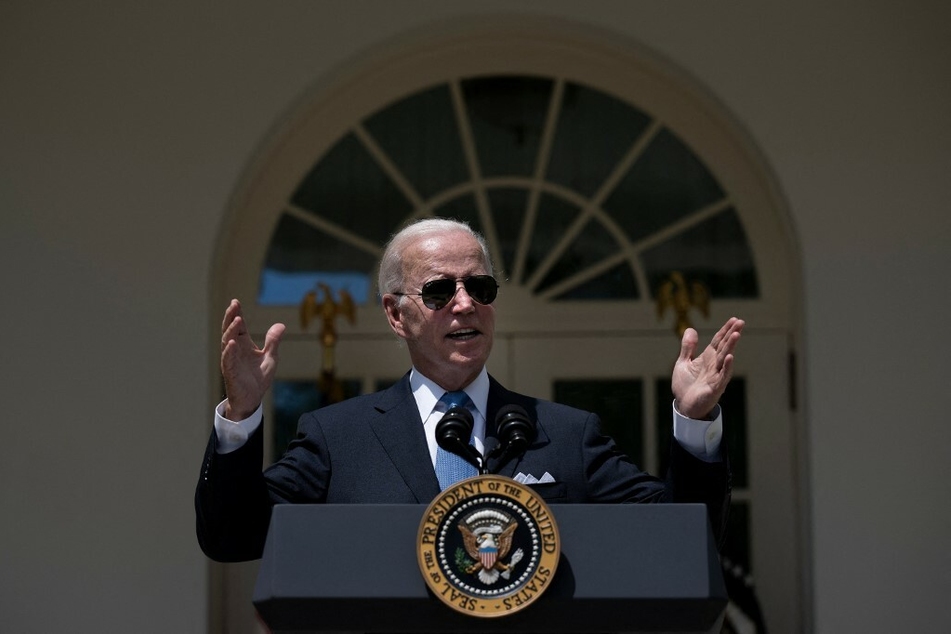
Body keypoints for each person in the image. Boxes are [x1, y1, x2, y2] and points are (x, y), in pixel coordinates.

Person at [196, 218, 744, 562]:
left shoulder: (567, 434)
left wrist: (694, 422)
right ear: (395, 313)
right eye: (439, 290)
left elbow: (684, 539)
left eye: (479, 287)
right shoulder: (339, 437)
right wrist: (241, 415)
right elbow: (232, 538)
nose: (465, 303)